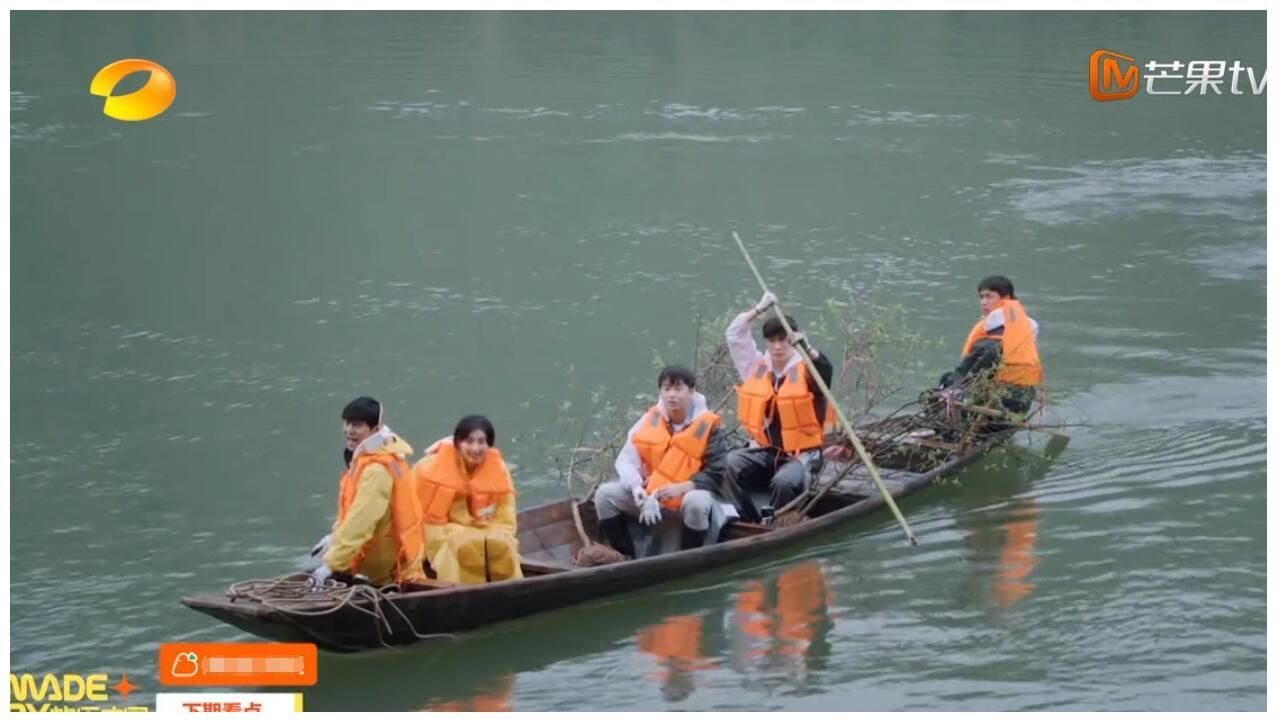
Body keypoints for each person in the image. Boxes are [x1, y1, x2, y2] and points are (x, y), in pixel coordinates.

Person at [593, 365, 736, 558]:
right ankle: (623, 555)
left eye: (678, 389)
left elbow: (716, 473)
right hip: (650, 495)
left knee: (697, 502)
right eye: (666, 389)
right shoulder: (649, 420)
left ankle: (689, 557)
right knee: (604, 494)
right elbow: (626, 461)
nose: (671, 395)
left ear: (692, 390)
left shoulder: (708, 426)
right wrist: (637, 489)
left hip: (687, 495)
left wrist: (681, 488)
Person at [724, 292, 834, 521]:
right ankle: (743, 517)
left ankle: (780, 520)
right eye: (772, 341)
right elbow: (734, 335)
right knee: (728, 464)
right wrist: (758, 309)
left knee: (784, 482)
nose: (777, 347)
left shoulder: (807, 369)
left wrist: (807, 347)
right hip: (764, 450)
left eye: (783, 340)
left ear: (791, 341)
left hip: (800, 454)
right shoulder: (756, 366)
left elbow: (824, 371)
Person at [313, 396, 427, 586]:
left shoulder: (377, 469)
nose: (349, 430)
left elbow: (361, 521)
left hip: (388, 569)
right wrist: (334, 537)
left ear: (375, 428)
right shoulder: (366, 459)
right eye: (347, 423)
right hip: (377, 559)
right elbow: (352, 514)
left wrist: (331, 564)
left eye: (357, 425)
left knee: (330, 565)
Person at [413, 415, 522, 585]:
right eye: (469, 442)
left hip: (481, 526)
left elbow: (506, 514)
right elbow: (410, 508)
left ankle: (512, 589)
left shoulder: (499, 469)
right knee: (459, 543)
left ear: (489, 445)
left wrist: (503, 536)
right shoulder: (428, 467)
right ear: (457, 443)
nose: (475, 448)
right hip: (438, 530)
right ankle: (458, 592)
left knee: (501, 542)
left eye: (481, 442)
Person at [936, 275, 1042, 414]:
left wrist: (944, 388)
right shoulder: (1026, 329)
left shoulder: (989, 344)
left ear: (1006, 298)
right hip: (1022, 402)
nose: (983, 302)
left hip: (996, 405)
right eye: (981, 297)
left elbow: (963, 376)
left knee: (946, 381)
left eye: (989, 296)